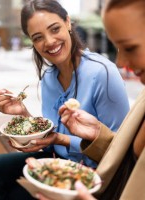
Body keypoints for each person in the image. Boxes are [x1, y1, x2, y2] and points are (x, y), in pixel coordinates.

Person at [0, 0, 129, 199]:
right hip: (55, 160)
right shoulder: (49, 78)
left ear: (68, 22)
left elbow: (119, 149)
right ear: (31, 42)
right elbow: (51, 139)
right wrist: (24, 115)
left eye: (55, 29)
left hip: (94, 175)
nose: (49, 41)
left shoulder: (103, 73)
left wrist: (61, 139)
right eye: (38, 37)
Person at [38, 0, 145, 199]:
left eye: (129, 48)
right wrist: (97, 135)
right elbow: (127, 161)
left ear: (68, 23)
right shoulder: (143, 97)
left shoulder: (101, 71)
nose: (120, 62)